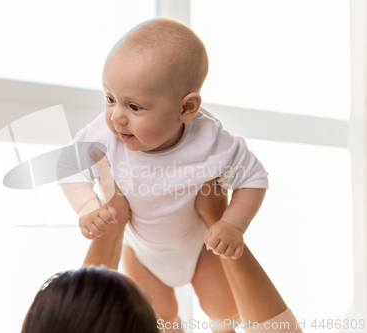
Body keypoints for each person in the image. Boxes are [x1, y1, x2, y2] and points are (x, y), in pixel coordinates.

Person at [57, 18, 268, 331]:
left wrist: (232, 224)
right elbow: (67, 165)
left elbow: (254, 179)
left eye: (135, 107)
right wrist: (88, 206)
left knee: (225, 310)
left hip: (200, 247)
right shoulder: (105, 135)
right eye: (110, 98)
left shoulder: (209, 141)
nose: (117, 116)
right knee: (160, 317)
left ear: (186, 109)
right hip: (143, 254)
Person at [23, 154, 302, 333]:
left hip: (168, 241)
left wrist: (113, 219)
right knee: (221, 313)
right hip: (171, 244)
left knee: (221, 311)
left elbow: (89, 312)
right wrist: (217, 217)